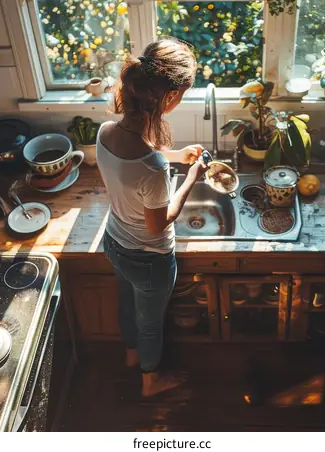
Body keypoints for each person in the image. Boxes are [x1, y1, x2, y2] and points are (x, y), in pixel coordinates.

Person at [96, 38, 207, 397]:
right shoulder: (154, 169)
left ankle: (132, 358)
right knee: (151, 323)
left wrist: (175, 154)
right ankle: (150, 380)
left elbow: (135, 159)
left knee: (127, 305)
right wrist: (190, 178)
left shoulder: (107, 133)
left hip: (114, 242)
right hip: (150, 259)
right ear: (170, 98)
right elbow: (159, 223)